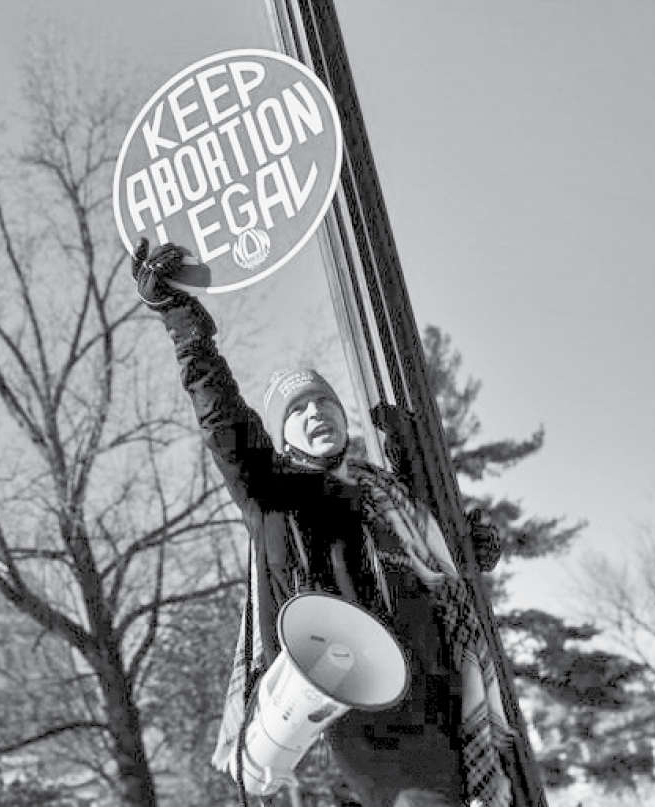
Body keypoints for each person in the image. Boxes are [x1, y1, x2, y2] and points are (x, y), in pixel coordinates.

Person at [132, 240, 513, 807]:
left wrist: (466, 548)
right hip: (370, 718)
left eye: (323, 402)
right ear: (282, 436)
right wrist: (183, 324)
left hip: (447, 697)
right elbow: (222, 419)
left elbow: (436, 572)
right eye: (298, 410)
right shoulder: (276, 498)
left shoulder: (387, 495)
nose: (315, 413)